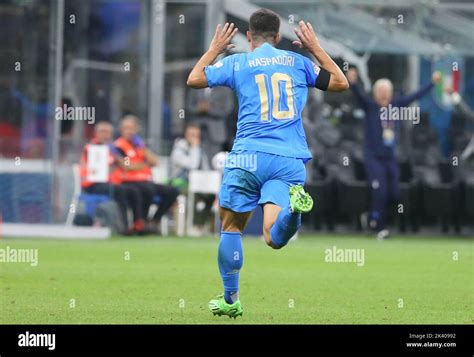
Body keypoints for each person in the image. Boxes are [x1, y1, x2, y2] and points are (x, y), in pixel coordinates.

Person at [187, 9, 348, 318]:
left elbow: (194, 79)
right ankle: (293, 211)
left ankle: (231, 299)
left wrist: (214, 50)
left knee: (231, 226)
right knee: (273, 237)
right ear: (278, 37)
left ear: (249, 37)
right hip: (288, 159)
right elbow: (340, 82)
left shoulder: (238, 62)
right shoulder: (297, 63)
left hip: (247, 156)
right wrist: (315, 48)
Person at [346, 67, 441, 240]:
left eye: (386, 92)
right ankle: (379, 225)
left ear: (391, 94)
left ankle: (373, 216)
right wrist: (352, 82)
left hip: (390, 158)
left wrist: (432, 83)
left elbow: (415, 96)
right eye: (380, 92)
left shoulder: (396, 106)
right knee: (380, 191)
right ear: (375, 93)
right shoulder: (370, 107)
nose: (383, 95)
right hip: (373, 157)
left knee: (394, 193)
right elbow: (358, 94)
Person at [113, 115, 179, 233]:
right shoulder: (118, 146)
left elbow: (155, 161)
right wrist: (145, 164)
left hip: (145, 180)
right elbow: (126, 166)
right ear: (121, 130)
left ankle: (154, 220)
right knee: (148, 190)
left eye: (131, 128)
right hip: (129, 181)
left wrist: (142, 148)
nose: (129, 131)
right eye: (126, 128)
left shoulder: (139, 145)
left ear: (136, 129)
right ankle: (140, 223)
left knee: (173, 191)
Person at [79, 121, 145, 234]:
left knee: (133, 190)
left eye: (108, 132)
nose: (105, 135)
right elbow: (93, 167)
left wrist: (117, 155)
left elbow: (125, 164)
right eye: (102, 132)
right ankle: (123, 226)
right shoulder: (90, 148)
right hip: (93, 184)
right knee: (120, 191)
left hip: (109, 183)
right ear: (96, 133)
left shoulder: (111, 149)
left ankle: (138, 224)